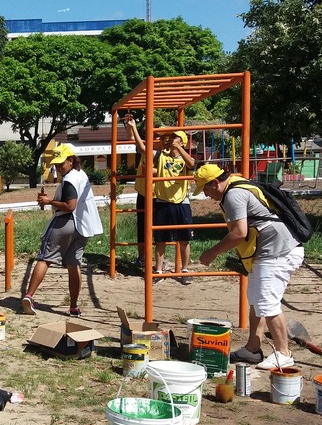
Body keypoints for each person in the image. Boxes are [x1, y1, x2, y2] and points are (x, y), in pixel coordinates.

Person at [193, 164, 305, 370]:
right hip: (268, 253)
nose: (206, 195)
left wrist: (212, 252)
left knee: (267, 302)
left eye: (206, 189)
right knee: (256, 300)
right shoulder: (236, 186)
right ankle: (253, 349)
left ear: (215, 182)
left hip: (278, 253)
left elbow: (239, 233)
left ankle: (284, 353)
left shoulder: (234, 195)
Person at [21, 144, 103, 316]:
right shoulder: (81, 174)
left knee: (45, 258)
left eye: (62, 163)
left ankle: (29, 296)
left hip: (65, 223)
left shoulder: (68, 181)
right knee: (74, 264)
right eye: (56, 164)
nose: (58, 168)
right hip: (83, 226)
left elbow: (69, 206)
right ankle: (73, 306)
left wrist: (49, 201)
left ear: (71, 160)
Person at [123, 115, 195, 284]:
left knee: (184, 239)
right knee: (160, 239)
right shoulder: (161, 155)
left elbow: (192, 164)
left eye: (174, 138)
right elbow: (142, 148)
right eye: (169, 138)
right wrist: (133, 126)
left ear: (182, 142)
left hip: (181, 201)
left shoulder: (184, 159)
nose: (170, 141)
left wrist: (179, 147)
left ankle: (184, 270)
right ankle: (159, 270)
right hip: (163, 201)